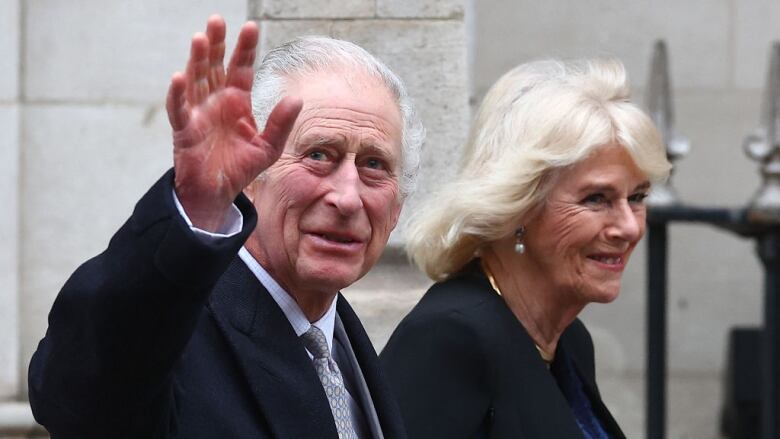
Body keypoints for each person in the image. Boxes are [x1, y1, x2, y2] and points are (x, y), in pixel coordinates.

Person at [28, 15, 423, 439]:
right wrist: (194, 210)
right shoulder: (177, 335)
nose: (347, 197)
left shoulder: (340, 342)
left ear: (397, 207)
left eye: (374, 165)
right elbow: (80, 394)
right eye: (319, 155)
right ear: (252, 174)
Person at [380, 59, 671, 438]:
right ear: (518, 205)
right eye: (596, 199)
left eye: (637, 197)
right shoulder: (450, 337)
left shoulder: (570, 340)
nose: (629, 226)